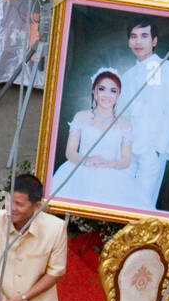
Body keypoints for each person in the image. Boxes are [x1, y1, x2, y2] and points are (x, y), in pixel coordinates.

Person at [49, 69, 140, 208]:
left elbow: (126, 160)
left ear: (118, 95)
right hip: (79, 170)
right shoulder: (80, 117)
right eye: (102, 89)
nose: (107, 95)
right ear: (94, 91)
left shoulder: (125, 124)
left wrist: (108, 163)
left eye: (113, 91)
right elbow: (70, 151)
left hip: (111, 175)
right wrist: (86, 160)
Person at [120, 18, 169, 210]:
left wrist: (158, 149)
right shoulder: (127, 75)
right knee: (123, 197)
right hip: (129, 148)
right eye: (133, 37)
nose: (138, 42)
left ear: (154, 41)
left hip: (153, 147)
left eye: (144, 36)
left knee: (144, 202)